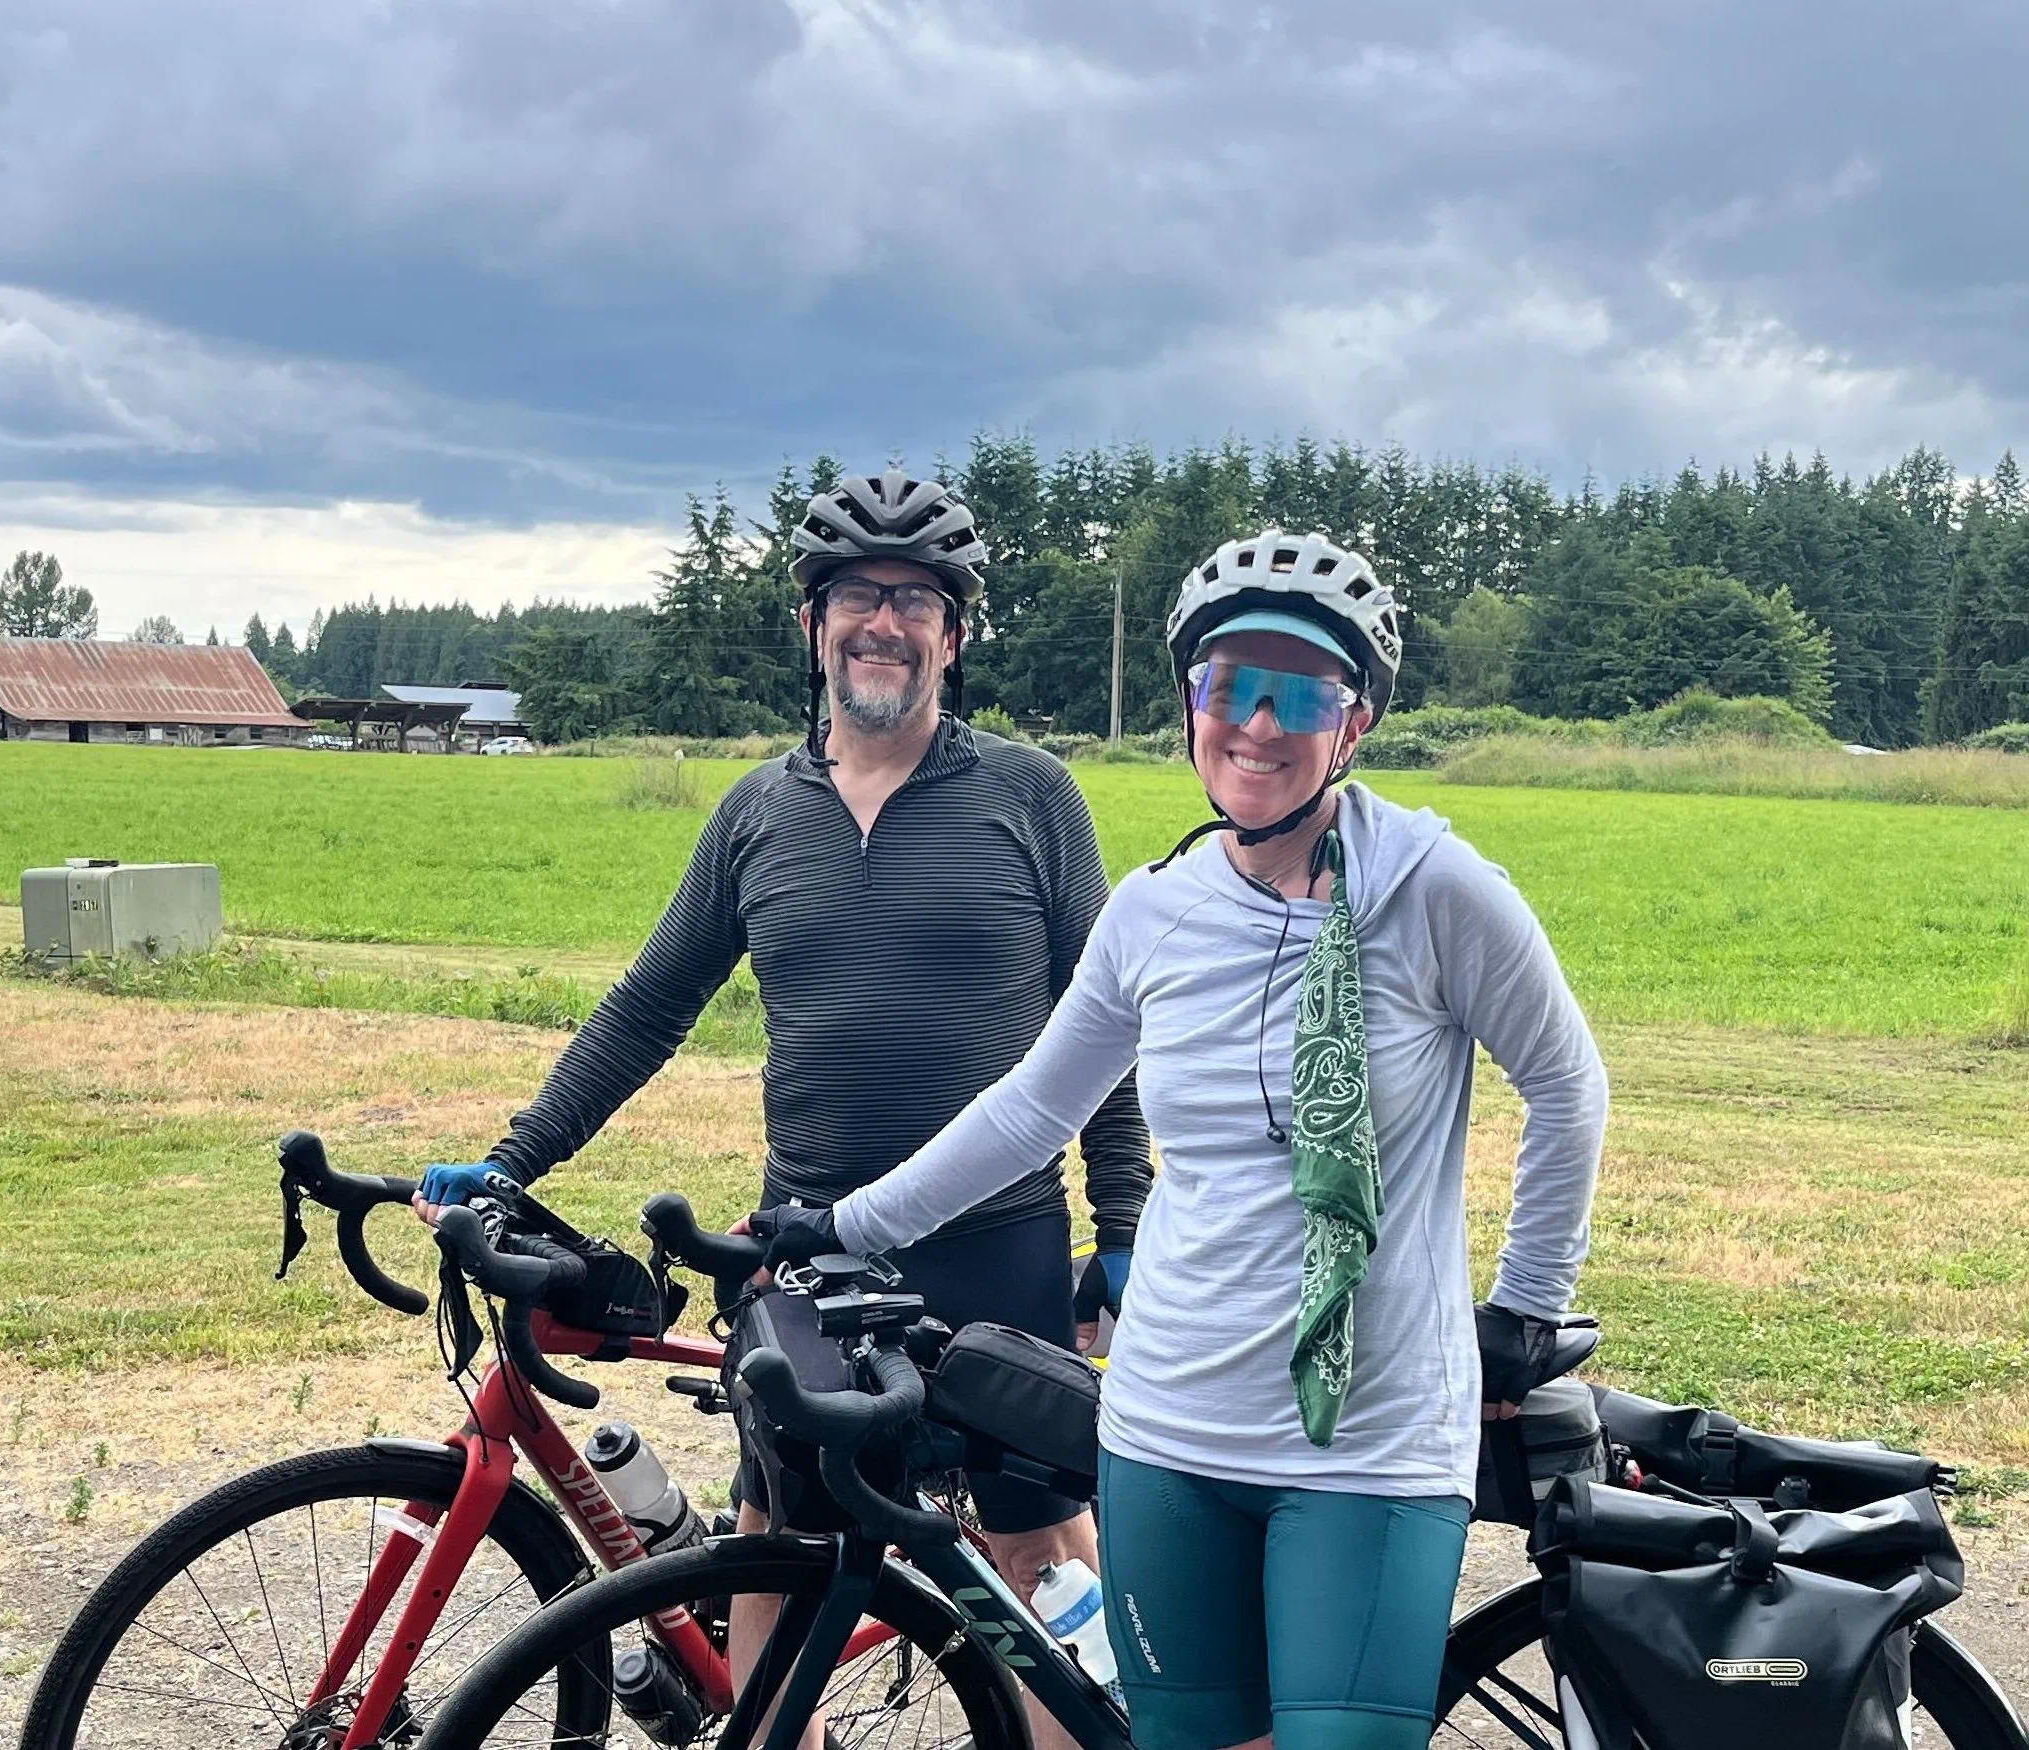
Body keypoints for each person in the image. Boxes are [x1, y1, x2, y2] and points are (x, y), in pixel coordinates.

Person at [763, 530, 1608, 1750]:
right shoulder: (1154, 911)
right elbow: (1034, 1108)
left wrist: (1524, 1309)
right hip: (1166, 1431)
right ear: (1190, 703)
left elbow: (1568, 1086)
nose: (1257, 724)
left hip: (1367, 1439)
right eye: (1230, 686)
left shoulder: (1435, 889)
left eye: (1300, 694)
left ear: (1356, 721)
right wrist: (846, 1224)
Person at [415, 468, 1151, 1742]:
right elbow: (649, 1006)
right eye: (859, 595)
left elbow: (1108, 1029)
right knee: (782, 1554)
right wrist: (513, 1157)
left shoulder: (1033, 796)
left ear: (955, 634)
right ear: (814, 623)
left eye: (916, 600)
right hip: (808, 1255)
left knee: (1039, 1561)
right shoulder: (759, 811)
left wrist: (1124, 1220)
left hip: (998, 1247)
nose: (885, 622)